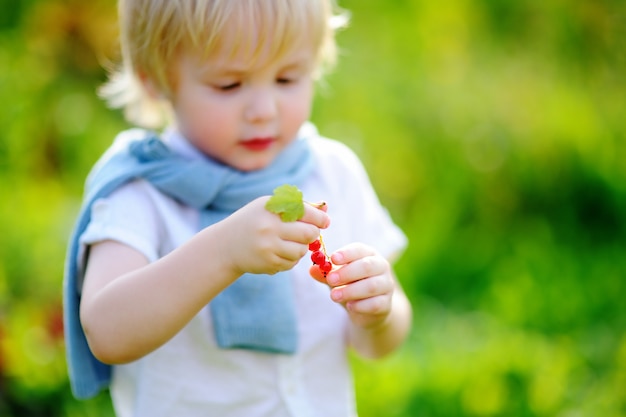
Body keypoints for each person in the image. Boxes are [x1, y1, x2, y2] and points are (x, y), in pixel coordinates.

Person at [63, 0, 413, 416]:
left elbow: (377, 345)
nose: (264, 111)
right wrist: (223, 252)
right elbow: (107, 333)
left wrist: (378, 312)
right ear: (156, 80)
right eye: (229, 85)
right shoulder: (140, 191)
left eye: (287, 78)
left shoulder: (330, 174)